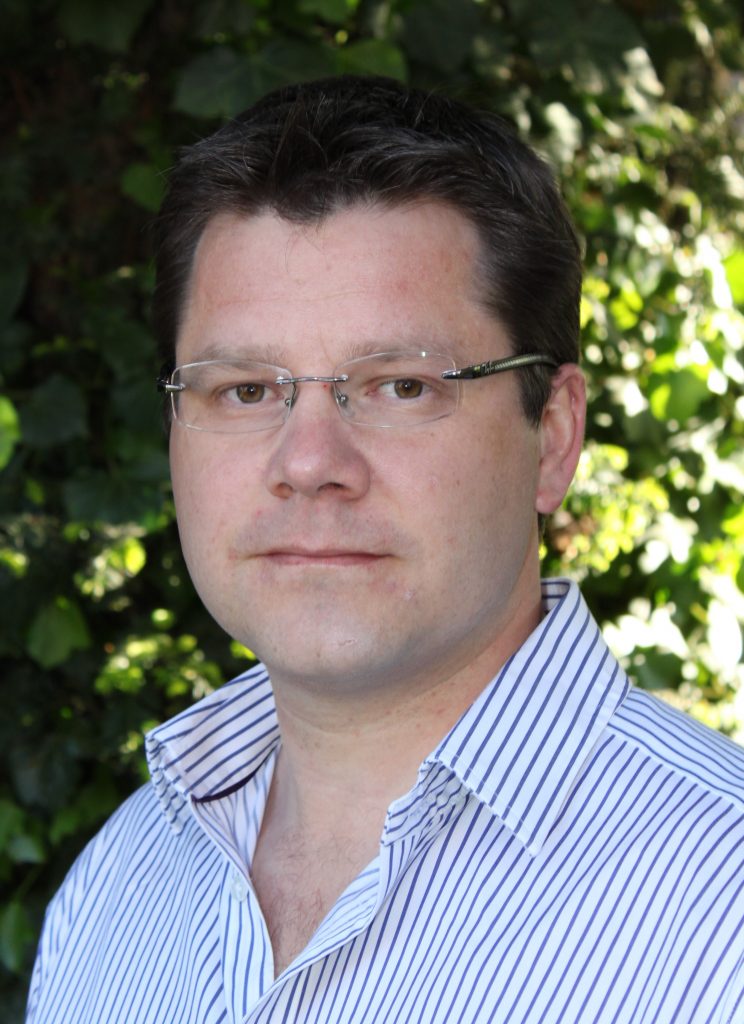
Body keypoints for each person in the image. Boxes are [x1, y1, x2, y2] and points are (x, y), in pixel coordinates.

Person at [27, 75, 743, 1024]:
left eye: (401, 386)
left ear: (553, 437)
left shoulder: (722, 908)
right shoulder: (113, 892)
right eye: (245, 390)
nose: (309, 463)